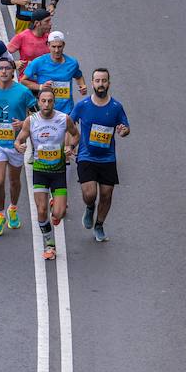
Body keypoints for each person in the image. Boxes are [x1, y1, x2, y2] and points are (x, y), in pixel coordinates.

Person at [15, 88, 79, 260]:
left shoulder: (63, 119)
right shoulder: (31, 120)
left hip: (58, 172)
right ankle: (50, 245)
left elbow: (75, 135)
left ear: (54, 102)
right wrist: (19, 146)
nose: (46, 104)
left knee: (59, 214)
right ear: (38, 101)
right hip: (40, 171)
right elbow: (19, 139)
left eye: (50, 101)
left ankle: (56, 208)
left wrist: (70, 147)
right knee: (41, 211)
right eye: (43, 100)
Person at [70, 67, 130, 242]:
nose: (101, 84)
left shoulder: (116, 107)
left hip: (107, 158)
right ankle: (89, 207)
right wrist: (70, 144)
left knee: (106, 194)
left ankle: (99, 225)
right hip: (86, 156)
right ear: (92, 83)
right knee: (90, 194)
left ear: (108, 83)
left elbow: (125, 129)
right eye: (97, 81)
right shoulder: (83, 106)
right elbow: (70, 124)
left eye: (104, 81)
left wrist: (123, 131)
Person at [0, 57, 36, 236]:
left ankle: (13, 208)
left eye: (7, 68)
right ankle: (0, 214)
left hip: (16, 143)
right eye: (0, 68)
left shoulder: (23, 91)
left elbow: (36, 114)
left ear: (13, 71)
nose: (3, 71)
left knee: (14, 180)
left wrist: (23, 124)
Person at [21, 29, 86, 113]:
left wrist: (82, 86)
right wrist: (40, 87)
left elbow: (78, 76)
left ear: (64, 45)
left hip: (66, 111)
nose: (56, 50)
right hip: (45, 110)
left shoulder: (72, 63)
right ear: (48, 45)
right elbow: (23, 80)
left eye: (59, 47)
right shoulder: (38, 62)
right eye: (53, 46)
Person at [7, 10, 54, 76]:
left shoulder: (51, 37)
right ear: (37, 23)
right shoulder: (22, 36)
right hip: (27, 80)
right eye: (47, 21)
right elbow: (3, 54)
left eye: (50, 20)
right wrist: (14, 63)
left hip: (45, 78)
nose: (50, 23)